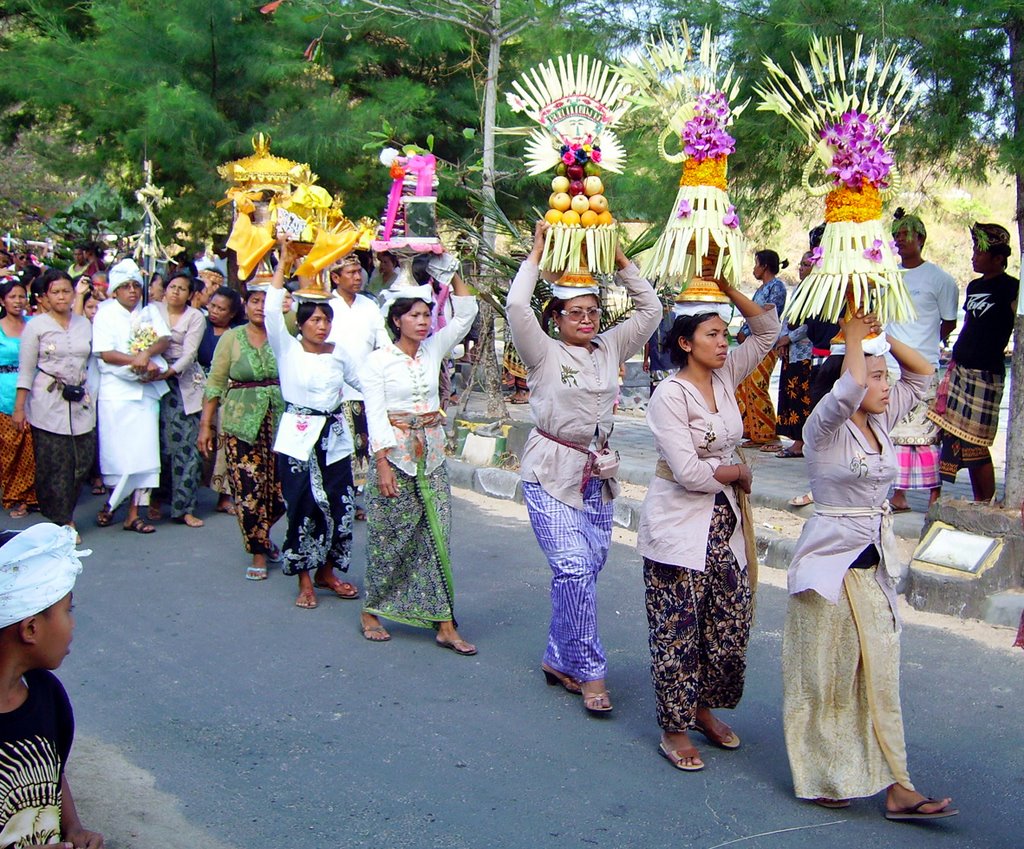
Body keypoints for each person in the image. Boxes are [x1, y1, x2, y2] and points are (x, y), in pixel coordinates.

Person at [783, 311, 957, 821]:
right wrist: (854, 339)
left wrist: (880, 337)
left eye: (883, 376)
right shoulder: (823, 428)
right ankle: (823, 774)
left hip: (873, 569)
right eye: (876, 376)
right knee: (827, 679)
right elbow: (850, 386)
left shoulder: (881, 418)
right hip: (828, 572)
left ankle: (899, 785)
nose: (885, 384)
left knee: (880, 676)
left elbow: (924, 374)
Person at [507, 221, 661, 714]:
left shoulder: (611, 348)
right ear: (556, 317)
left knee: (588, 568)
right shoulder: (543, 351)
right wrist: (534, 253)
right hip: (550, 471)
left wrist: (619, 260)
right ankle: (591, 672)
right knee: (572, 568)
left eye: (593, 311)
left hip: (598, 474)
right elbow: (515, 307)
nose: (587, 319)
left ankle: (558, 657)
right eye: (575, 312)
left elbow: (652, 310)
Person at [637, 284, 779, 771]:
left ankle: (703, 708)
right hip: (680, 526)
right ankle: (674, 728)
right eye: (712, 334)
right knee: (678, 627)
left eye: (724, 334)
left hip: (726, 524)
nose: (724, 343)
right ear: (685, 342)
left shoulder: (725, 377)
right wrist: (736, 472)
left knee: (727, 622)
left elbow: (766, 330)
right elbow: (691, 474)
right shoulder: (668, 396)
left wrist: (724, 289)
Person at [358, 255, 480, 651]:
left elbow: (466, 314)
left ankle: (444, 623)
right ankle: (372, 609)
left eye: (427, 314)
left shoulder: (433, 350)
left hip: (433, 458)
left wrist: (453, 271)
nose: (424, 321)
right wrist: (382, 465)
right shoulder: (377, 362)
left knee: (437, 537)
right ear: (397, 320)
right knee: (390, 538)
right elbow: (375, 415)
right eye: (414, 315)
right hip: (395, 460)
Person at [266, 239, 363, 609]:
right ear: (301, 323)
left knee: (340, 503)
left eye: (327, 320)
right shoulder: (287, 349)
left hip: (334, 437)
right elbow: (274, 312)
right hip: (298, 435)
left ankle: (327, 572)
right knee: (304, 503)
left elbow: (366, 384)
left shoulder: (339, 353)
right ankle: (304, 578)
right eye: (315, 320)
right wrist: (283, 264)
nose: (322, 326)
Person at [0, 523, 104, 849]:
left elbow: (50, 772)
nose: (72, 623)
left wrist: (73, 827)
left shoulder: (47, 695)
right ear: (31, 628)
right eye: (67, 611)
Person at [199, 288, 285, 581]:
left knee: (281, 492)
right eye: (255, 301)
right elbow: (215, 382)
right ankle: (258, 551)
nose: (261, 307)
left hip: (280, 423)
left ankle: (263, 535)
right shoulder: (231, 338)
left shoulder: (283, 335)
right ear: (245, 306)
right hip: (240, 424)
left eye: (266, 301)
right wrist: (206, 425)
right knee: (249, 491)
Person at [926, 223, 1015, 503]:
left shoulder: (1012, 288)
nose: (974, 256)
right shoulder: (975, 286)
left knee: (976, 441)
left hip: (985, 372)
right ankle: (976, 499)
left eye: (980, 251)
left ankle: (984, 500)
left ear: (998, 258)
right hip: (961, 368)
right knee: (957, 437)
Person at [885, 211, 958, 511]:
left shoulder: (940, 279)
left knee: (927, 434)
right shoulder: (889, 275)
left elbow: (949, 323)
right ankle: (899, 493)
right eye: (897, 235)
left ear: (922, 239)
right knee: (896, 433)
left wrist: (923, 344)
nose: (900, 240)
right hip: (890, 366)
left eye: (907, 234)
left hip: (924, 364)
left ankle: (934, 493)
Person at [92, 258, 170, 534]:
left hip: (145, 392)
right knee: (119, 456)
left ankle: (133, 514)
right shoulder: (104, 313)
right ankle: (114, 503)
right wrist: (136, 359)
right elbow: (105, 353)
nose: (132, 291)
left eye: (136, 285)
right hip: (117, 392)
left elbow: (164, 338)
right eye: (125, 286)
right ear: (115, 291)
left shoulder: (149, 311)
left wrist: (147, 354)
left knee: (144, 454)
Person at [14, 270, 95, 534]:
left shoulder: (84, 324)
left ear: (74, 294)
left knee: (82, 460)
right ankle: (62, 520)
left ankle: (64, 512)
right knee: (54, 463)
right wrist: (19, 409)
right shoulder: (36, 326)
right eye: (55, 292)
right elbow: (26, 370)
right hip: (47, 401)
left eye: (66, 291)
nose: (61, 297)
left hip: (80, 400)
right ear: (46, 296)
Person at [326, 253, 389, 521]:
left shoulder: (369, 306)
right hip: (332, 390)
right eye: (350, 273)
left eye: (358, 271)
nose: (357, 277)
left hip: (363, 388)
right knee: (336, 448)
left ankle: (354, 499)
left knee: (361, 447)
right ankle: (334, 497)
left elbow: (383, 341)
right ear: (335, 277)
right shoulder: (326, 305)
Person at [149, 271, 207, 527]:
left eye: (182, 288)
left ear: (190, 294)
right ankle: (154, 500)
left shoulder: (195, 317)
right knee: (157, 446)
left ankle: (184, 507)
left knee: (187, 447)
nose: (175, 292)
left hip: (182, 384)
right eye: (172, 286)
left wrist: (170, 372)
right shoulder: (151, 311)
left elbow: (190, 352)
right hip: (150, 381)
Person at [198, 285, 244, 515]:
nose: (214, 311)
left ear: (232, 313)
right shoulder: (201, 327)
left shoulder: (237, 334)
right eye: (212, 306)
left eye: (221, 309)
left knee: (225, 444)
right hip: (198, 389)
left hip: (228, 394)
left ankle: (225, 495)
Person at [735, 249, 788, 449]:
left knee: (758, 384)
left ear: (765, 266)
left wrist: (746, 332)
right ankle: (754, 431)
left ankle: (769, 433)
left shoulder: (777, 287)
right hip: (752, 341)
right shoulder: (761, 289)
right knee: (746, 384)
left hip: (766, 343)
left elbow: (765, 316)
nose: (754, 268)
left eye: (756, 264)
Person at [1, 279, 38, 519]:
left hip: (34, 391)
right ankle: (12, 494)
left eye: (21, 296)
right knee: (9, 447)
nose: (18, 301)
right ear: (2, 301)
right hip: (3, 392)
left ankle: (29, 496)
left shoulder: (34, 325)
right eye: (12, 297)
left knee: (31, 448)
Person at [774, 251, 815, 458]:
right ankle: (793, 438)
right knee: (790, 395)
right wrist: (782, 339)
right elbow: (787, 318)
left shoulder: (818, 292)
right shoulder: (799, 289)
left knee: (802, 397)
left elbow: (810, 324)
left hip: (805, 351)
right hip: (791, 350)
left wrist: (789, 338)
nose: (801, 268)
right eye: (801, 264)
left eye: (806, 265)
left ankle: (801, 441)